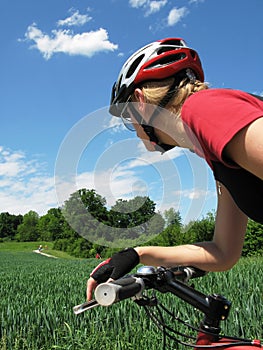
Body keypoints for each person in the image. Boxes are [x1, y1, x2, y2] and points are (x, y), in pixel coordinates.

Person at [87, 37, 263, 301]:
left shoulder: (204, 110)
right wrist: (138, 254)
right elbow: (223, 252)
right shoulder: (216, 153)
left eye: (128, 118)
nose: (133, 130)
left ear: (140, 101)